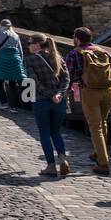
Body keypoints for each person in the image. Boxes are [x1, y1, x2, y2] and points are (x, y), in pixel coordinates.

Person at [66, 27, 111, 175]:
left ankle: (103, 163)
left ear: (77, 39)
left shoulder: (74, 54)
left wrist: (65, 93)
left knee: (95, 126)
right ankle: (99, 152)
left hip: (90, 91)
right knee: (103, 123)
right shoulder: (104, 52)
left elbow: (69, 77)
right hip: (108, 90)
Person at [26, 34, 70, 178]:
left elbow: (34, 82)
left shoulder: (31, 59)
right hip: (59, 101)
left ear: (37, 44)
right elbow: (66, 79)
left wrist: (50, 95)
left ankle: (51, 166)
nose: (28, 46)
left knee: (44, 132)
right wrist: (59, 94)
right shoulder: (57, 57)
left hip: (42, 101)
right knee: (56, 131)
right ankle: (63, 158)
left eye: (30, 43)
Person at [0, 20, 27, 110]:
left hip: (3, 59)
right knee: (12, 82)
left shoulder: (0, 32)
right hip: (15, 60)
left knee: (0, 81)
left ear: (1, 25)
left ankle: (4, 103)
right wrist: (21, 63)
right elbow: (20, 51)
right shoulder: (16, 35)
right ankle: (13, 105)